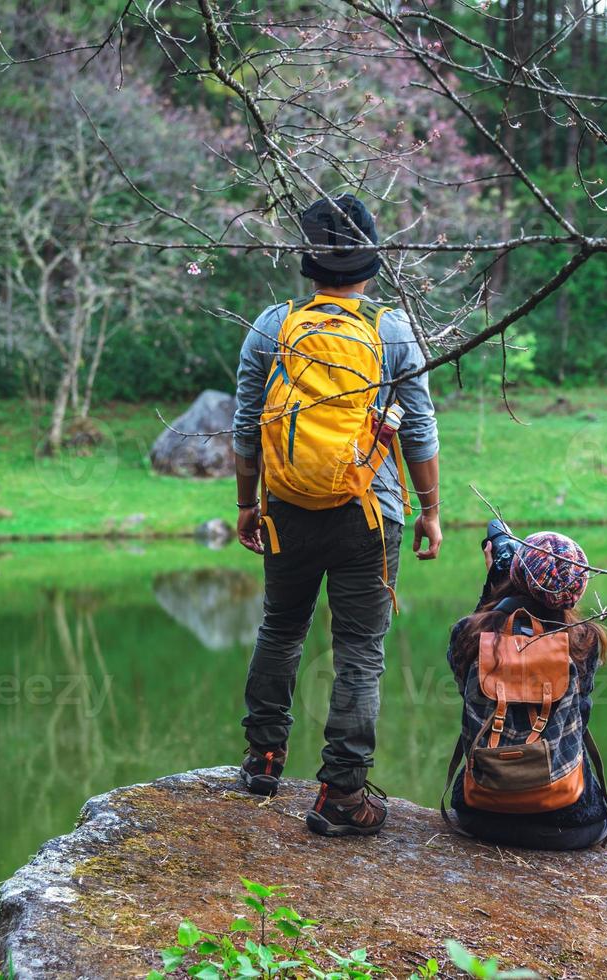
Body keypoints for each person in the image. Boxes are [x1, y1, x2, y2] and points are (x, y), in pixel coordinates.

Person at [231, 194, 442, 838]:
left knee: (280, 628)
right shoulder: (391, 330)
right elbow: (420, 429)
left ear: (310, 265)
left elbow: (245, 426)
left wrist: (247, 505)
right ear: (369, 263)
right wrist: (431, 510)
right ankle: (340, 793)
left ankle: (263, 759)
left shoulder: (273, 326)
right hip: (368, 516)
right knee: (358, 653)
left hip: (287, 508)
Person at [444, 526, 607, 850]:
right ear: (576, 590)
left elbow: (466, 692)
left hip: (482, 814)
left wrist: (493, 595)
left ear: (516, 573)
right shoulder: (583, 640)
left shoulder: (469, 633)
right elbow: (581, 715)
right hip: (568, 822)